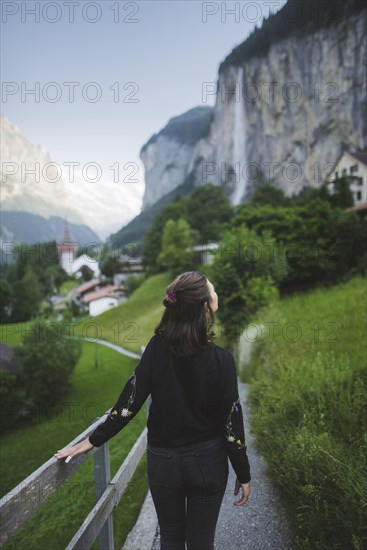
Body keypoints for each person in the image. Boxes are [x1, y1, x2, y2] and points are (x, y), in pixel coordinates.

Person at [54, 271, 251, 549]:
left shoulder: (156, 349)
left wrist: (93, 440)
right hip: (207, 461)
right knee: (201, 541)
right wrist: (243, 473)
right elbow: (233, 424)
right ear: (205, 306)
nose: (216, 294)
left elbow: (129, 401)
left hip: (163, 461)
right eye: (213, 290)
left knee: (170, 537)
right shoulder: (222, 360)